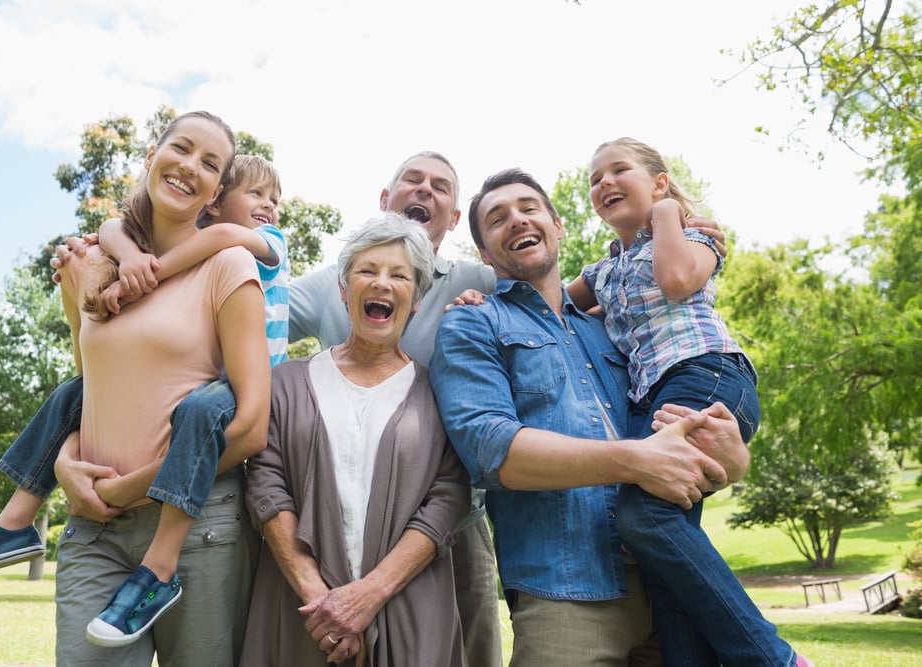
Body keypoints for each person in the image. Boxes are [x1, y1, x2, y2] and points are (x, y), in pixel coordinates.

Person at [428, 167, 756, 667]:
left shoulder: (622, 333)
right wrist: (635, 460)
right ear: (485, 254)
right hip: (566, 596)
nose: (516, 220)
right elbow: (491, 449)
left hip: (672, 590)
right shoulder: (473, 323)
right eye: (497, 218)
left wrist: (733, 463)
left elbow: (674, 439)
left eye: (528, 208)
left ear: (558, 226)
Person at [0, 153, 288, 600]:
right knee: (71, 393)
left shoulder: (253, 244)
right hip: (181, 399)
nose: (270, 206)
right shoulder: (169, 249)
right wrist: (125, 255)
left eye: (276, 199)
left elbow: (225, 236)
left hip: (232, 393)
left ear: (212, 195)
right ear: (215, 202)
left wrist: (141, 275)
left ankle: (160, 566)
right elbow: (114, 229)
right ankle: (15, 520)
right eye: (256, 194)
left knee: (200, 411)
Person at [563, 137, 809, 667]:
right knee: (661, 554)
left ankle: (773, 658)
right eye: (593, 178)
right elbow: (546, 302)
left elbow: (676, 281)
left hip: (706, 375)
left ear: (657, 181)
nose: (602, 182)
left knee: (646, 517)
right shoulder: (604, 272)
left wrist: (669, 212)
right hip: (652, 398)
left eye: (618, 170)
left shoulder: (696, 237)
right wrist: (477, 297)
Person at [53, 110, 270, 665]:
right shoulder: (95, 265)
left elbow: (248, 429)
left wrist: (130, 489)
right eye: (181, 148)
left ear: (217, 190)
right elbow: (91, 391)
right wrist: (64, 464)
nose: (189, 166)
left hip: (199, 525)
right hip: (95, 527)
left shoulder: (229, 264)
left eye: (210, 163)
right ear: (152, 156)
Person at [287, 151, 503, 667]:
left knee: (472, 643)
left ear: (454, 219)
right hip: (344, 512)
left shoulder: (481, 282)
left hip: (454, 508)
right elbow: (244, 310)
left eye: (440, 186)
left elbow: (551, 296)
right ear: (385, 200)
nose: (425, 189)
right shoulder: (331, 283)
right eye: (413, 179)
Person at [242, 213, 471, 666]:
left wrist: (367, 597)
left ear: (418, 298)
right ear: (344, 290)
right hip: (299, 611)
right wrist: (323, 604)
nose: (382, 283)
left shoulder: (440, 392)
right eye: (367, 271)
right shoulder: (285, 383)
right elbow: (265, 485)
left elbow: (449, 497)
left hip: (408, 611)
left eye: (399, 275)